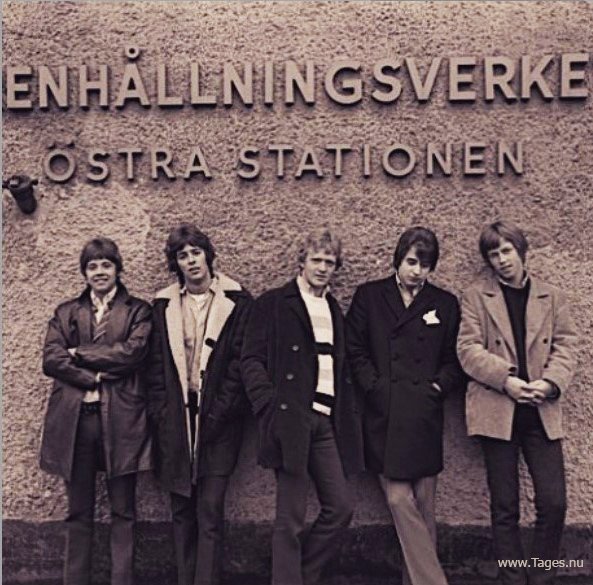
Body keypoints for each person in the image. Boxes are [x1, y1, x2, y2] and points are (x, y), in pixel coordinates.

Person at [457, 220, 577, 585]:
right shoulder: (476, 296)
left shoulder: (551, 296)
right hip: (498, 409)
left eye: (507, 251)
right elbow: (467, 349)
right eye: (493, 254)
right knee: (505, 505)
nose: (501, 260)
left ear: (522, 252)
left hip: (540, 410)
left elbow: (566, 346)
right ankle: (511, 578)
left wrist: (549, 383)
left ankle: (540, 576)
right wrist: (506, 380)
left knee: (554, 502)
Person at [241, 227, 363, 585]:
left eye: (330, 262)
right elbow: (250, 359)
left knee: (340, 508)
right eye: (316, 260)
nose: (323, 268)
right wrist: (268, 406)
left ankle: (303, 576)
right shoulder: (274, 303)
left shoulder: (333, 308)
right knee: (290, 519)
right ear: (302, 262)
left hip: (325, 422)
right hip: (290, 419)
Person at [345, 226, 464, 585]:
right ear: (398, 259)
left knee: (424, 507)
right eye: (412, 262)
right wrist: (376, 388)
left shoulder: (445, 303)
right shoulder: (370, 296)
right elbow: (354, 349)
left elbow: (454, 359)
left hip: (424, 415)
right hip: (385, 413)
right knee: (399, 500)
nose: (417, 271)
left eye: (425, 265)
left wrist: (437, 388)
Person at [40, 237, 152, 585]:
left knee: (123, 511)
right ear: (84, 273)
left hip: (122, 420)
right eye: (92, 266)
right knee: (78, 511)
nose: (99, 271)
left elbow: (133, 353)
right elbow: (52, 358)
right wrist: (94, 377)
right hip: (76, 421)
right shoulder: (66, 312)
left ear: (117, 269)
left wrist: (79, 354)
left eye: (106, 264)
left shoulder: (138, 310)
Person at [146, 223, 252, 585]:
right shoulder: (163, 306)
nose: (191, 261)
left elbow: (240, 363)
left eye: (196, 252)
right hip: (177, 421)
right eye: (182, 255)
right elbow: (155, 367)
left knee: (209, 511)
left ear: (208, 255)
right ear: (175, 264)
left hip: (220, 420)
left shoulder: (237, 301)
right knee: (181, 512)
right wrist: (163, 414)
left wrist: (220, 411)